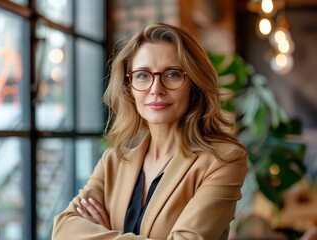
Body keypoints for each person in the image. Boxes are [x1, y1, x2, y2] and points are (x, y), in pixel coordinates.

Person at [52, 22, 247, 240]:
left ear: (194, 83)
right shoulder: (113, 162)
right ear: (129, 86)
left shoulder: (222, 161)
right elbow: (62, 230)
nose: (156, 89)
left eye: (172, 74)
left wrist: (103, 234)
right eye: (143, 75)